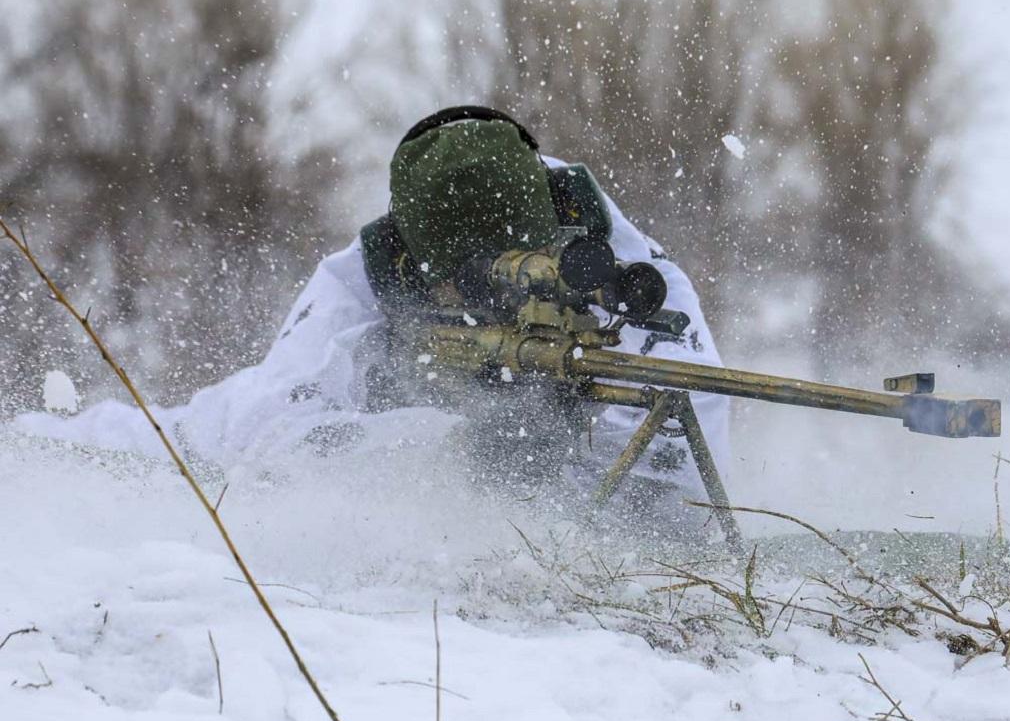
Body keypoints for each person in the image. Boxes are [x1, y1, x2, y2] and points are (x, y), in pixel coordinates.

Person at [14, 107, 730, 516]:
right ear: (419, 263)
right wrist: (442, 450)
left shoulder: (636, 284)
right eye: (466, 286)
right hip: (379, 418)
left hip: (570, 496)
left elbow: (683, 489)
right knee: (181, 440)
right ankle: (25, 440)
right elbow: (270, 432)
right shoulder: (366, 276)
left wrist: (555, 464)